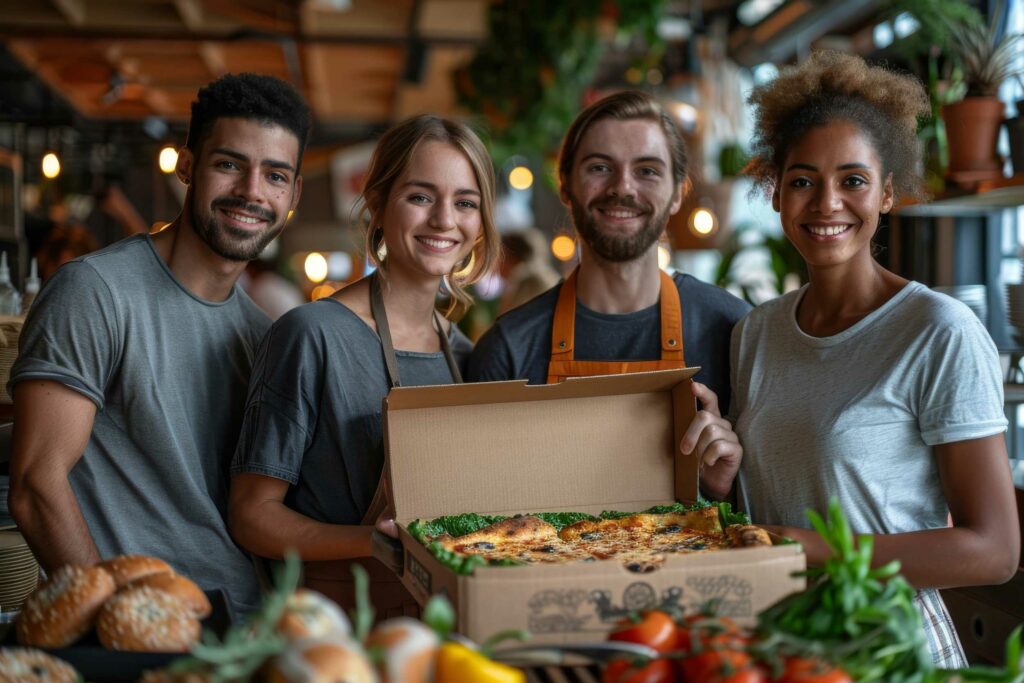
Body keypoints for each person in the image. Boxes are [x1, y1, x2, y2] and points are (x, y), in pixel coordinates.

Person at [679, 51, 1020, 667]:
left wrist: (817, 548)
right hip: (779, 643)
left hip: (886, 647)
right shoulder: (755, 332)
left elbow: (995, 551)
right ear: (775, 192)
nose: (826, 202)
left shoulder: (937, 332)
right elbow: (773, 509)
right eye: (803, 180)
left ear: (888, 193)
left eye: (853, 180)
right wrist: (720, 485)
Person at [8, 73, 310, 618]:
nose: (251, 191)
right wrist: (118, 622)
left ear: (293, 195)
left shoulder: (265, 336)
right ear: (187, 166)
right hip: (142, 629)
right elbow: (35, 484)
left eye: (275, 175)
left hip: (249, 629)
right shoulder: (95, 291)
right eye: (228, 164)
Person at [228, 115, 499, 615]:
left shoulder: (462, 353)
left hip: (441, 631)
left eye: (465, 203)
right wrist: (372, 541)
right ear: (377, 201)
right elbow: (251, 516)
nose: (444, 220)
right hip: (336, 631)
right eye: (420, 197)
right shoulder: (312, 335)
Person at [467, 91, 749, 413]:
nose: (622, 187)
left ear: (677, 193)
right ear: (565, 185)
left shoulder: (733, 331)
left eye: (647, 170)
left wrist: (733, 465)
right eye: (600, 167)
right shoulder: (507, 351)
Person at [497, 228, 561, 315]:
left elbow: (511, 322)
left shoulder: (525, 283)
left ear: (512, 258)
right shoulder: (548, 277)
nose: (496, 266)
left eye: (501, 257)